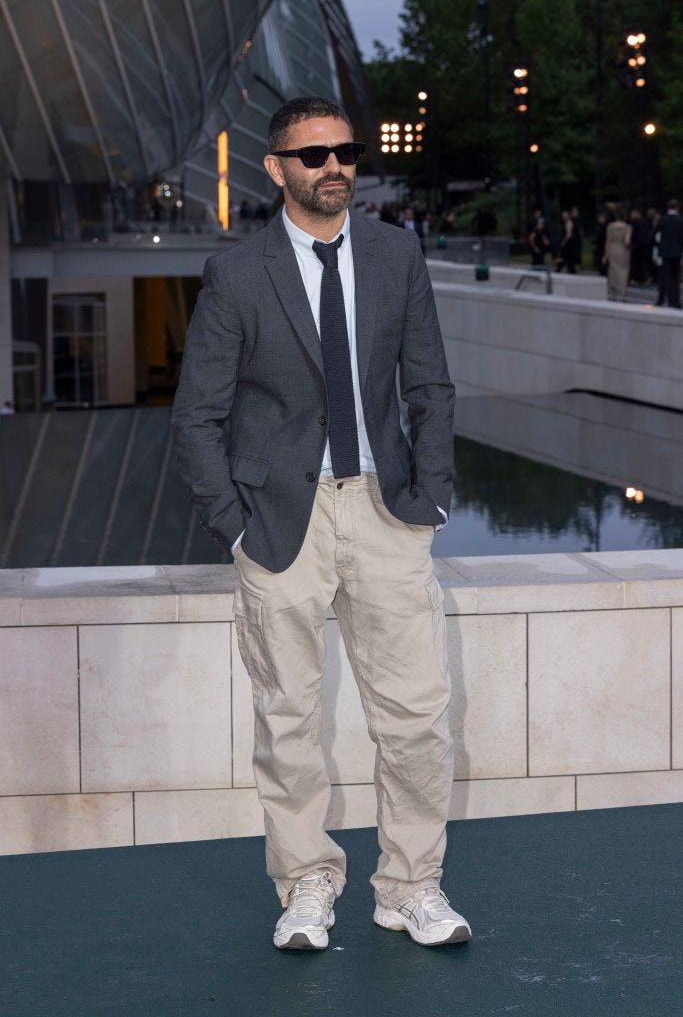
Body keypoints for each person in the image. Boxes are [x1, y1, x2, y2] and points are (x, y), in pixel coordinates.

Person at [171, 97, 470, 952]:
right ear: (276, 170)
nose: (332, 167)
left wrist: (432, 500)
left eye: (343, 151)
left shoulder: (393, 252)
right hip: (278, 523)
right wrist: (233, 526)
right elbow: (197, 417)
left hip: (385, 511)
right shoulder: (237, 274)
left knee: (415, 716)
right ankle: (305, 883)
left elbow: (431, 390)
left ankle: (410, 886)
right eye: (311, 156)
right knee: (288, 719)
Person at [654, 199, 683, 308]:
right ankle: (674, 300)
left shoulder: (662, 220)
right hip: (677, 252)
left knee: (664, 276)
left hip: (664, 251)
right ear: (677, 207)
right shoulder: (681, 220)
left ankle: (661, 298)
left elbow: (656, 234)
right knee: (675, 277)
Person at [603, 205, 632, 301]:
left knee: (612, 270)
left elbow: (608, 241)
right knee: (623, 271)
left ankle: (612, 291)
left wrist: (606, 254)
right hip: (622, 250)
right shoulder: (627, 227)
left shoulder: (610, 226)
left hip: (613, 249)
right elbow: (627, 241)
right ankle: (622, 293)